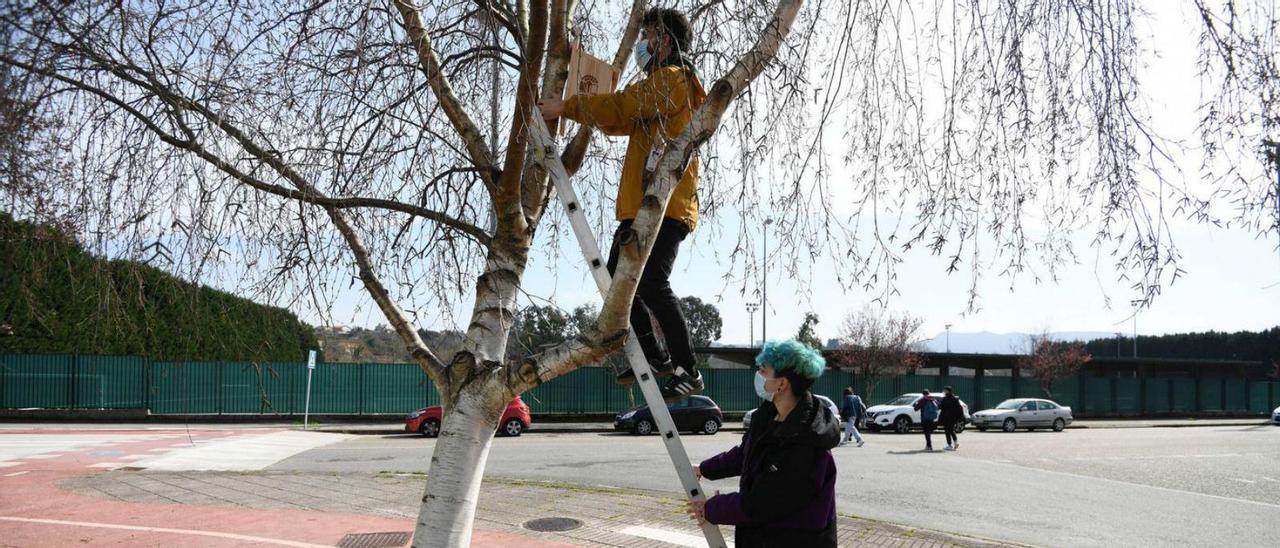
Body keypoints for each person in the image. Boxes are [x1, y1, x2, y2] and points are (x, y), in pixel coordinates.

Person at [539, 8, 708, 400]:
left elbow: (623, 107)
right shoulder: (656, 89)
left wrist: (568, 106)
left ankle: (688, 368)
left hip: (665, 205)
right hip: (645, 205)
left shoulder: (673, 80)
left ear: (665, 41)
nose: (643, 45)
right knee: (619, 283)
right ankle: (656, 356)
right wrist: (581, 106)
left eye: (648, 36)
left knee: (650, 281)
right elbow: (620, 119)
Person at [685, 340, 840, 547]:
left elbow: (766, 502)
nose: (757, 375)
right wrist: (704, 468)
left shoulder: (805, 441)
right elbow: (746, 454)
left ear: (782, 384)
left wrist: (712, 508)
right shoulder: (768, 416)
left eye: (763, 371)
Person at [939, 386, 963, 451]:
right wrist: (959, 418)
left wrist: (938, 403)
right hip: (953, 418)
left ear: (948, 391)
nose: (944, 391)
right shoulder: (955, 398)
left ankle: (949, 445)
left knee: (947, 431)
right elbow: (959, 408)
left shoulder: (945, 398)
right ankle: (956, 442)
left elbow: (940, 407)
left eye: (945, 390)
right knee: (951, 430)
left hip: (946, 417)